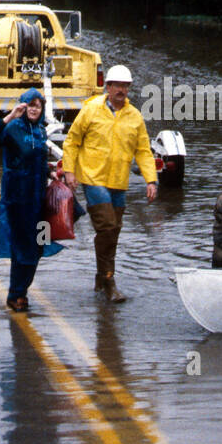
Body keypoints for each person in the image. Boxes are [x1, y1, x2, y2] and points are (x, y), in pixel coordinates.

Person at [61, 65, 157, 302]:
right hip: (93, 177)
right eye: (118, 86)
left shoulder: (134, 116)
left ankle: (100, 274)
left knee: (113, 231)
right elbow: (72, 141)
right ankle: (110, 282)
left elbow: (144, 151)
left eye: (126, 86)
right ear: (108, 87)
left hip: (118, 180)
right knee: (106, 226)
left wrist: (151, 179)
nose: (122, 90)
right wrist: (70, 172)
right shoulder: (91, 109)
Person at [0, 88, 63, 312]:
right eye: (30, 104)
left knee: (37, 246)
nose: (34, 109)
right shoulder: (13, 128)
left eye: (38, 105)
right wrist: (9, 116)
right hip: (17, 198)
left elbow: (38, 160)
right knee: (21, 247)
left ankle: (21, 291)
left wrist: (51, 173)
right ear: (23, 106)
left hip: (38, 199)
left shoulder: (40, 131)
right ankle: (15, 294)